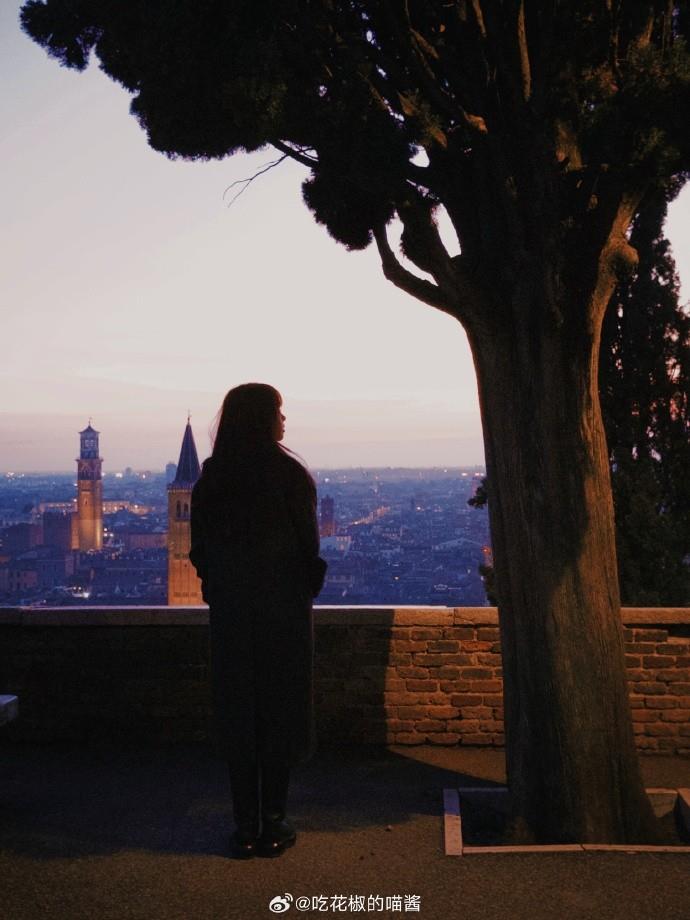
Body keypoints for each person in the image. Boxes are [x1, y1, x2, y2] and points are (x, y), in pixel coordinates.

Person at [189, 383, 327, 859]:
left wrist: (221, 588)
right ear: (262, 419)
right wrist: (301, 587)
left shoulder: (213, 480)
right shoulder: (289, 476)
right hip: (282, 614)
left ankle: (245, 826)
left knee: (239, 713)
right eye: (278, 412)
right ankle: (274, 821)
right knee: (280, 711)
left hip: (232, 615)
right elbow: (308, 547)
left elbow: (200, 551)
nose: (284, 421)